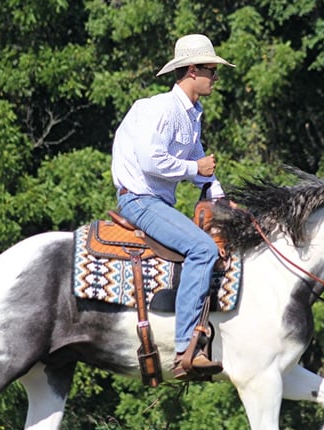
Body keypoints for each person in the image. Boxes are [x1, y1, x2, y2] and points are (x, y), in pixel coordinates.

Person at [111, 33, 235, 380]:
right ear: (192, 70)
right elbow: (152, 162)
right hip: (139, 200)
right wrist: (196, 169)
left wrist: (222, 200)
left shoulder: (192, 113)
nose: (215, 77)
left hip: (156, 202)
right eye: (212, 70)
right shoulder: (162, 109)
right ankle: (185, 348)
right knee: (201, 249)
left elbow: (201, 169)